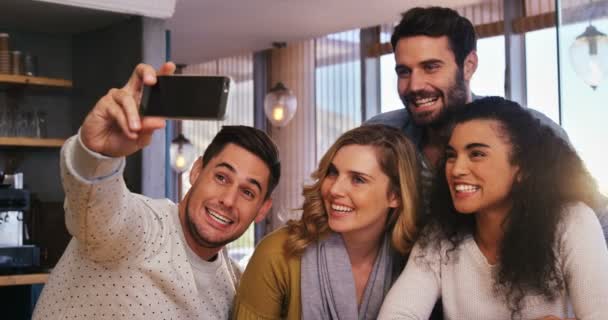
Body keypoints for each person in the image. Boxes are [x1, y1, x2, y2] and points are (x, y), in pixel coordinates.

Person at [32, 63, 281, 319]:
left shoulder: (234, 286)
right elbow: (97, 210)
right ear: (196, 171)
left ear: (262, 209)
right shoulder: (142, 228)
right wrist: (99, 153)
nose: (228, 200)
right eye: (221, 177)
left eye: (248, 192)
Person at [365, 6, 608, 239]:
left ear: (469, 66)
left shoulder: (530, 130)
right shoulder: (379, 136)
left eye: (431, 67)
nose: (415, 85)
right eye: (404, 72)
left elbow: (598, 221)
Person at [378, 97, 608, 320]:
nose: (456, 169)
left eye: (476, 154)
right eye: (451, 155)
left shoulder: (572, 221)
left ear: (523, 167)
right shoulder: (439, 236)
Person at [232, 124, 422, 320]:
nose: (334, 190)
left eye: (358, 179)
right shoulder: (277, 254)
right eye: (332, 172)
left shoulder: (416, 262)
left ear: (395, 196)